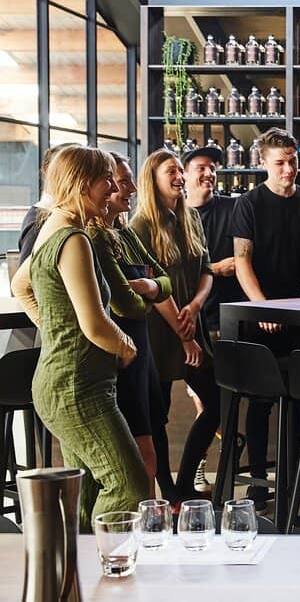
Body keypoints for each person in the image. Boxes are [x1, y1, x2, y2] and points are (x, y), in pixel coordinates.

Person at [11, 146, 148, 527]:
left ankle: (78, 562)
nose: (113, 189)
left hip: (63, 383)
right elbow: (96, 324)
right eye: (106, 180)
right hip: (77, 387)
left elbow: (21, 285)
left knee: (87, 491)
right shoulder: (73, 238)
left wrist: (56, 329)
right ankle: (100, 557)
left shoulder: (53, 225)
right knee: (129, 486)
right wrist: (125, 346)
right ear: (82, 183)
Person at [231, 127, 300, 510]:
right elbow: (242, 261)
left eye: (293, 162)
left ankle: (292, 477)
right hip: (262, 315)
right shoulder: (249, 203)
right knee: (260, 401)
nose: (288, 169)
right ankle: (258, 483)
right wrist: (264, 307)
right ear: (263, 163)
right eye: (280, 163)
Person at [130, 149, 220, 503]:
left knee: (216, 403)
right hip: (159, 331)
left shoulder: (190, 217)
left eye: (181, 170)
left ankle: (182, 486)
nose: (180, 177)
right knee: (158, 415)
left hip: (191, 324)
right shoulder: (140, 226)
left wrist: (195, 307)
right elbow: (152, 290)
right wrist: (185, 336)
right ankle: (169, 495)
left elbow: (207, 270)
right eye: (172, 171)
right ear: (152, 179)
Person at [86, 153, 175, 499]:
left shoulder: (123, 233)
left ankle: (150, 519)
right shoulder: (95, 239)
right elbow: (126, 306)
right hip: (121, 356)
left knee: (150, 448)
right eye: (122, 182)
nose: (132, 189)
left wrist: (150, 286)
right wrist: (150, 295)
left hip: (142, 354)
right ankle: (142, 521)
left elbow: (164, 279)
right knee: (140, 457)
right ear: (102, 186)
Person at [183, 144, 246, 494]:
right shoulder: (177, 216)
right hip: (196, 324)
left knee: (227, 399)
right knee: (205, 400)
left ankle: (226, 469)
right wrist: (216, 268)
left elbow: (245, 257)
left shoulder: (233, 208)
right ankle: (206, 466)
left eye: (213, 168)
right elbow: (174, 270)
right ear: (185, 174)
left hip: (230, 319)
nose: (209, 174)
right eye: (201, 168)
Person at [18, 143, 71, 257]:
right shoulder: (39, 220)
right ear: (48, 169)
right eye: (69, 168)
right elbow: (30, 267)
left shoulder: (64, 214)